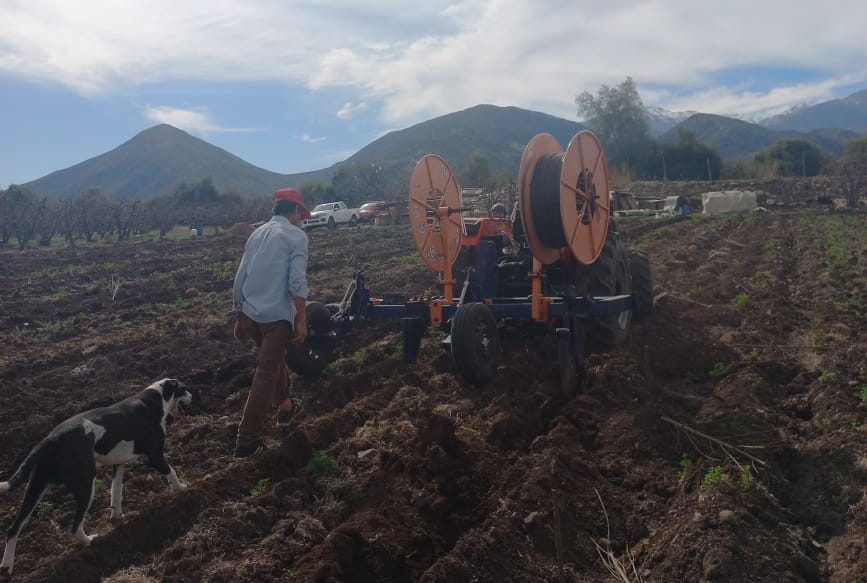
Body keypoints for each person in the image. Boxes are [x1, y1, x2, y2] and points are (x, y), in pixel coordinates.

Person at [231, 187, 312, 458]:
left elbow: (241, 277)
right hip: (277, 318)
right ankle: (247, 442)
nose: (302, 219)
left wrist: (240, 315)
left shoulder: (257, 233)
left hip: (253, 314)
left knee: (274, 363)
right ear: (297, 211)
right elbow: (296, 282)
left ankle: (286, 406)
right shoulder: (296, 236)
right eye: (302, 214)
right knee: (265, 375)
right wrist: (302, 319)